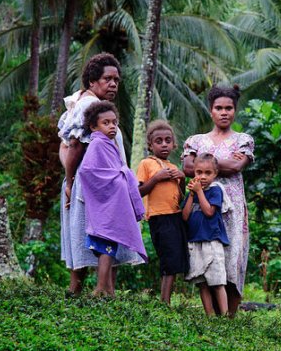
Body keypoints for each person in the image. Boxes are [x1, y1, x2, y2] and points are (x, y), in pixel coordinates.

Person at [58, 52, 143, 295]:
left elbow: (66, 145)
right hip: (93, 185)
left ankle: (102, 290)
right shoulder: (88, 105)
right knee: (93, 233)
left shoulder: (90, 105)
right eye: (108, 79)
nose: (114, 84)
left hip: (101, 184)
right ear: (92, 82)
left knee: (99, 234)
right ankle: (82, 291)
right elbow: (72, 145)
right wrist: (71, 180)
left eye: (117, 79)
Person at [182, 85, 254, 316]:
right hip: (201, 210)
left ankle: (230, 316)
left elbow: (236, 166)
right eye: (218, 108)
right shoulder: (196, 140)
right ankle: (211, 315)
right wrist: (222, 162)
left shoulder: (243, 139)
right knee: (208, 258)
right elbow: (186, 167)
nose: (224, 112)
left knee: (233, 257)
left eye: (229, 108)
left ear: (235, 110)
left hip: (232, 211)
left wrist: (203, 164)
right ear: (210, 110)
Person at [79, 101, 148, 297]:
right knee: (106, 248)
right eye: (106, 123)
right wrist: (117, 178)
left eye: (114, 123)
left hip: (113, 204)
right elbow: (87, 171)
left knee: (108, 247)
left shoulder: (108, 143)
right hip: (106, 206)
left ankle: (108, 289)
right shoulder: (98, 143)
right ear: (94, 126)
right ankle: (101, 288)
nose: (111, 127)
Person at [137, 120, 188, 304]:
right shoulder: (147, 163)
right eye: (159, 141)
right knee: (168, 258)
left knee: (175, 258)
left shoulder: (173, 167)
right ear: (150, 145)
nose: (164, 144)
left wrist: (182, 178)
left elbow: (180, 197)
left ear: (174, 144)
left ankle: (166, 299)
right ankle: (164, 301)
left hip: (175, 216)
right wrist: (157, 178)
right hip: (159, 217)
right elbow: (140, 191)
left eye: (168, 140)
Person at [182, 154, 230, 316]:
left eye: (207, 173)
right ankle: (209, 316)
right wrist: (192, 194)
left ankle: (223, 315)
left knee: (217, 281)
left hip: (212, 241)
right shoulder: (192, 191)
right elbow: (185, 216)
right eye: (199, 172)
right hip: (195, 241)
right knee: (201, 282)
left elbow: (209, 212)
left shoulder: (216, 190)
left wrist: (199, 192)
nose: (202, 176)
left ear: (215, 174)